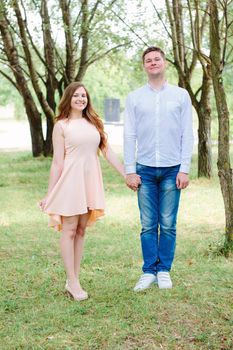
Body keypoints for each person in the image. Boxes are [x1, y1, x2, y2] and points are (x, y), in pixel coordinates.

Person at [40, 82, 126, 301]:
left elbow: (108, 152)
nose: (80, 99)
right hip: (70, 182)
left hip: (90, 181)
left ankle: (74, 279)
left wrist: (126, 175)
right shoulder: (61, 125)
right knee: (68, 230)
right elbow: (57, 163)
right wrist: (50, 194)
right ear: (68, 98)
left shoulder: (94, 123)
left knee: (81, 230)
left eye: (84, 95)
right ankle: (72, 281)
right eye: (76, 95)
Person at [124, 46, 194, 291]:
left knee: (168, 223)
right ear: (144, 66)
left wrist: (184, 168)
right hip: (143, 169)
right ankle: (148, 271)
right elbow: (129, 134)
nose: (153, 63)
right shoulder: (134, 97)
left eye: (157, 59)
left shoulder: (181, 95)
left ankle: (164, 270)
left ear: (165, 63)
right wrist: (130, 170)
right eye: (148, 60)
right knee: (147, 223)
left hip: (172, 169)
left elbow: (188, 133)